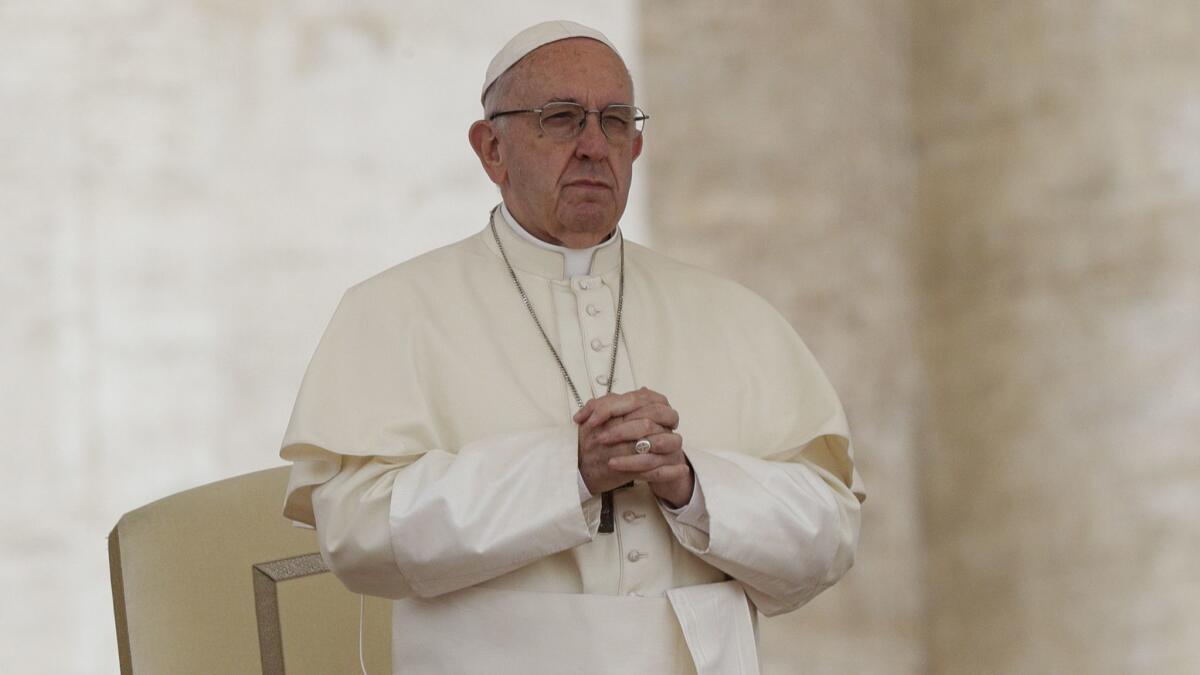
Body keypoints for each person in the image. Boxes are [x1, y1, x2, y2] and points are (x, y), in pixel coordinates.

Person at [279, 20, 865, 675]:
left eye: (615, 121)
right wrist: (567, 471)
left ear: (636, 146)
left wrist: (693, 485)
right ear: (491, 149)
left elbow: (831, 533)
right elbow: (355, 534)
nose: (593, 145)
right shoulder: (392, 311)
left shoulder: (734, 314)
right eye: (560, 118)